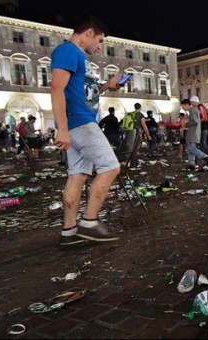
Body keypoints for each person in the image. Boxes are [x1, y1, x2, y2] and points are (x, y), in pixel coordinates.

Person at [51, 16, 123, 245]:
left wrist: (106, 87)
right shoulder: (68, 51)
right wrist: (62, 129)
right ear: (89, 33)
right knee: (111, 167)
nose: (100, 46)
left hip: (77, 122)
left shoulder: (77, 56)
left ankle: (69, 232)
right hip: (79, 123)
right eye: (100, 40)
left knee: (78, 175)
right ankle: (90, 222)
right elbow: (56, 88)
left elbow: (82, 93)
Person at [183, 98, 208, 170]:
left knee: (191, 148)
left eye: (183, 106)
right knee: (190, 150)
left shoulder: (193, 110)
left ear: (187, 104)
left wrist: (187, 124)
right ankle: (192, 164)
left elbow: (195, 121)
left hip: (192, 133)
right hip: (194, 132)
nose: (182, 107)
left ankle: (204, 157)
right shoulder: (194, 110)